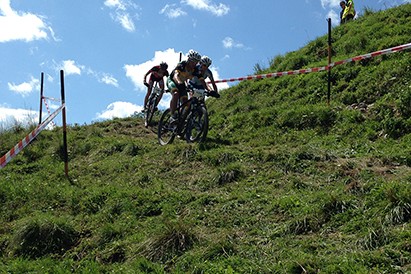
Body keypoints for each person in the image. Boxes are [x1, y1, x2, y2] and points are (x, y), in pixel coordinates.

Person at [166, 50, 201, 121]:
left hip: (182, 84)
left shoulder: (195, 70)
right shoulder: (182, 64)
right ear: (189, 59)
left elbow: (201, 80)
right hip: (172, 80)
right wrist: (178, 81)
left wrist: (209, 90)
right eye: (193, 61)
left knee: (186, 103)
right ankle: (172, 116)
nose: (195, 63)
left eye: (196, 62)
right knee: (175, 94)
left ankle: (181, 120)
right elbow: (176, 75)